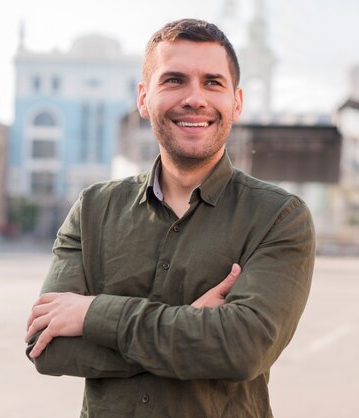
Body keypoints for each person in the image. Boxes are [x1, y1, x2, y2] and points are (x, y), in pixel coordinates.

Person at [25, 18, 315, 418]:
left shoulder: (278, 217)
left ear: (237, 102)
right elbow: (48, 346)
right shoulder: (93, 209)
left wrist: (93, 315)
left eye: (213, 82)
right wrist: (193, 332)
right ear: (143, 98)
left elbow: (243, 349)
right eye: (174, 80)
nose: (195, 98)